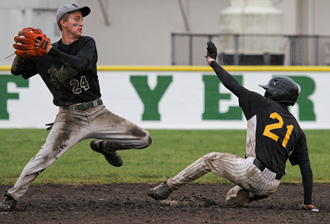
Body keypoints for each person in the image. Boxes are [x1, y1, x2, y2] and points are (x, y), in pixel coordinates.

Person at [0, 4, 152, 212]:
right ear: (63, 23)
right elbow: (17, 72)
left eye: (81, 19)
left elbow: (81, 64)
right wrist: (23, 52)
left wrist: (50, 50)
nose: (81, 23)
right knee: (43, 157)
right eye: (76, 19)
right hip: (69, 118)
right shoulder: (42, 54)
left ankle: (104, 147)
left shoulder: (86, 43)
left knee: (144, 139)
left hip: (98, 112)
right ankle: (12, 196)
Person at [147, 41, 318, 212]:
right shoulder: (297, 129)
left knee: (210, 159)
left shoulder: (261, 103)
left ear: (275, 93)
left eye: (268, 90)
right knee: (231, 199)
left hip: (253, 172)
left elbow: (231, 84)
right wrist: (308, 202)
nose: (265, 93)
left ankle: (167, 187)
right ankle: (248, 195)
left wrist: (212, 61)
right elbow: (306, 168)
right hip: (272, 185)